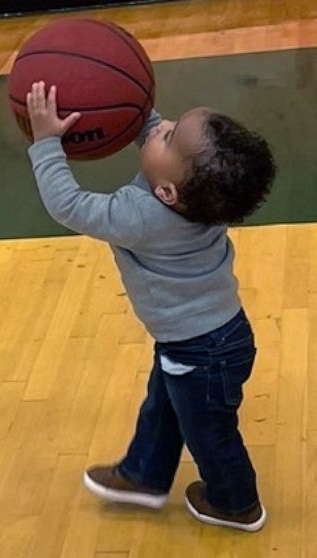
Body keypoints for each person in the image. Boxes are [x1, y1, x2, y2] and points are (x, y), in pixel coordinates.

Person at [25, 81, 277, 532]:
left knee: (209, 434)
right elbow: (154, 127)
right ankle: (143, 475)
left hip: (202, 351)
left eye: (168, 135)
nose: (161, 127)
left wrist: (45, 143)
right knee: (165, 406)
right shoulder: (202, 198)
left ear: (166, 193)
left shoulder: (141, 217)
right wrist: (126, 97)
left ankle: (237, 503)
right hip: (210, 338)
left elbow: (68, 204)